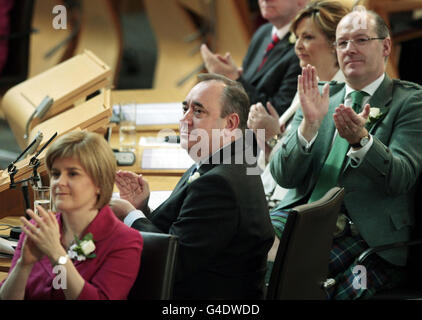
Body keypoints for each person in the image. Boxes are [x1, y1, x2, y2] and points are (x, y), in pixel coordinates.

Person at [269, 8, 422, 299]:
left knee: (305, 285)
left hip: (366, 236)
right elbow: (283, 176)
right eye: (342, 43)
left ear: (386, 46)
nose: (349, 49)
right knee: (242, 250)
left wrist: (363, 142)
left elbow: (400, 178)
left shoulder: (411, 101)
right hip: (300, 217)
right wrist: (309, 128)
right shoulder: (320, 95)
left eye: (361, 40)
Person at [110, 73, 275, 300]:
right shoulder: (226, 160)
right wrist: (142, 209)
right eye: (185, 109)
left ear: (230, 123)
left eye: (198, 112)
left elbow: (169, 262)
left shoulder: (219, 184)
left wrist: (130, 215)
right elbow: (180, 234)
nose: (185, 120)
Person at [0, 131, 143, 300]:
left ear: (99, 182)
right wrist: (23, 265)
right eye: (56, 174)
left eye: (73, 174)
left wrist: (57, 254)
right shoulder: (39, 227)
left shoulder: (124, 241)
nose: (59, 182)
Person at [247, 0, 349, 209]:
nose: (298, 46)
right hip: (266, 195)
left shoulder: (344, 97)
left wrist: (274, 137)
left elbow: (307, 172)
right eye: (297, 37)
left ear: (335, 43)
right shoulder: (310, 86)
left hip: (294, 209)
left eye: (308, 37)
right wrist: (267, 140)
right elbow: (276, 163)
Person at [200, 0, 307, 115]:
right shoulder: (263, 32)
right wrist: (233, 76)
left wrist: (232, 78)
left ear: (301, 1)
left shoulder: (304, 48)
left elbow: (278, 114)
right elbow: (247, 84)